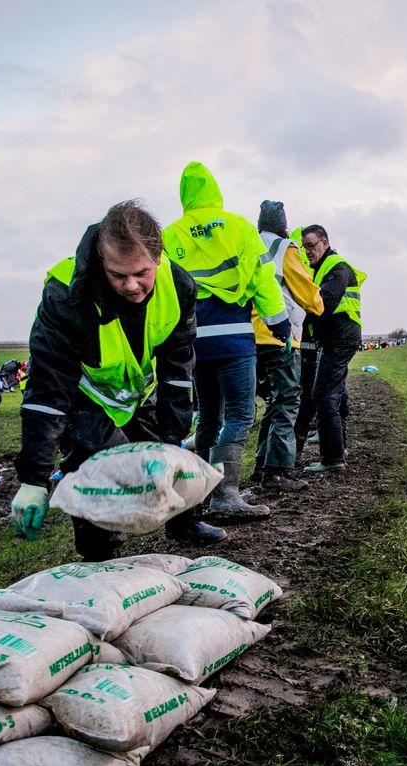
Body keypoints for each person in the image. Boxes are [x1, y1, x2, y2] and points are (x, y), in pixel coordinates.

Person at [12, 199, 223, 556]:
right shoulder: (65, 295)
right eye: (118, 275)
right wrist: (33, 479)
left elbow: (177, 371)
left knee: (168, 456)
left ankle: (183, 519)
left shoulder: (180, 287)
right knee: (98, 467)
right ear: (101, 261)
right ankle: (100, 552)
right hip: (87, 397)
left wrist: (173, 437)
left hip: (138, 394)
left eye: (141, 273)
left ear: (158, 256)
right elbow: (48, 389)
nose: (131, 286)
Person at [162, 162, 292, 519]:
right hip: (234, 337)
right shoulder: (239, 227)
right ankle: (226, 494)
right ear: (215, 190)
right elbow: (264, 277)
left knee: (207, 416)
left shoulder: (172, 234)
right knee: (240, 412)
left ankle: (202, 493)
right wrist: (278, 321)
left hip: (193, 341)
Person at [252, 200, 322, 490]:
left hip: (248, 335)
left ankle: (261, 465)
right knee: (288, 399)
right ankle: (277, 471)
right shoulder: (285, 248)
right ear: (283, 224)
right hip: (279, 333)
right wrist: (318, 305)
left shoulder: (248, 243)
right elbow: (307, 292)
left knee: (272, 401)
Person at [300, 224, 366, 473]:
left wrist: (298, 316)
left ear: (324, 243)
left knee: (323, 394)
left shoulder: (335, 266)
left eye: (312, 245)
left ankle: (332, 458)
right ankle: (338, 450)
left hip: (340, 339)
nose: (308, 251)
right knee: (334, 393)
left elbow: (324, 304)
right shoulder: (321, 268)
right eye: (305, 247)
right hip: (335, 339)